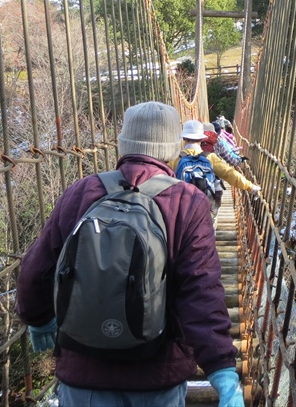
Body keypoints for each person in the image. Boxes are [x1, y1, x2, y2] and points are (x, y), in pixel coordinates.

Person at [16, 101, 244, 407]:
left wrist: (38, 318)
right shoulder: (187, 201)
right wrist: (221, 368)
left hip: (83, 372)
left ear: (123, 143)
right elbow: (201, 291)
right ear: (172, 147)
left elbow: (36, 269)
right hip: (157, 376)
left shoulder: (81, 191)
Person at [173, 119, 260, 199]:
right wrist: (250, 187)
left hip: (182, 203)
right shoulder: (210, 157)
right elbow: (229, 173)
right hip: (205, 204)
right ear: (202, 139)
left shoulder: (176, 158)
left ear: (183, 138)